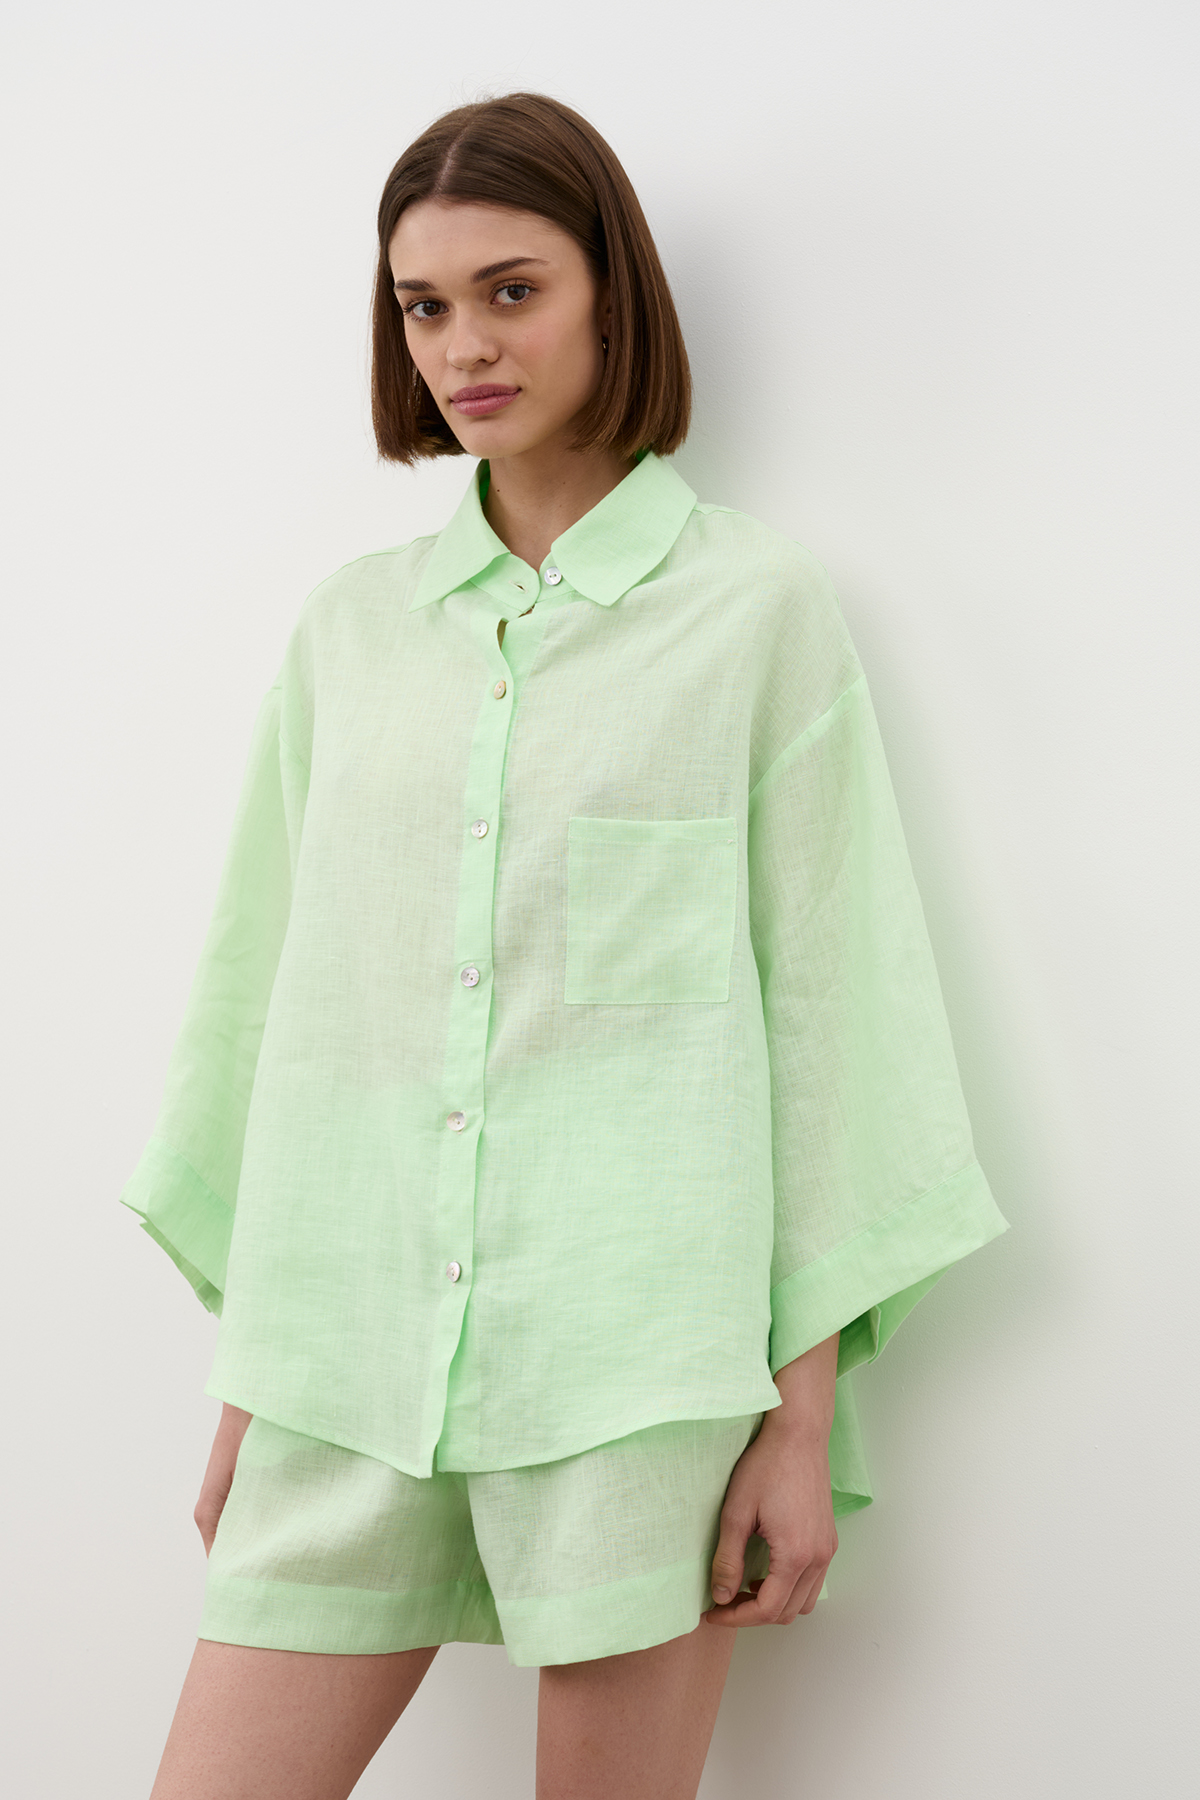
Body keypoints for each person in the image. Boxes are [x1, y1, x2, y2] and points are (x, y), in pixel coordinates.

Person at [122, 91, 1009, 1800]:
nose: (464, 346)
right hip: (347, 1366)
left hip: (639, 1373)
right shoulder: (350, 635)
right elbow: (280, 1014)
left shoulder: (755, 613)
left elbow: (833, 1023)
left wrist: (799, 1425)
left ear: (616, 294)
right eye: (424, 305)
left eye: (512, 291)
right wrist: (261, 1384)